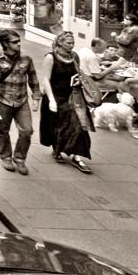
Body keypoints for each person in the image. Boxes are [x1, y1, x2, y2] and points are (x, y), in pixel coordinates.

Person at [0, 30, 42, 176]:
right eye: (15, 42)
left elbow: (33, 78)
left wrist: (36, 98)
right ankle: (6, 157)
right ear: (5, 43)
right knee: (3, 130)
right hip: (2, 100)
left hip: (22, 100)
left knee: (27, 131)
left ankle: (20, 158)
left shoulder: (26, 58)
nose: (19, 44)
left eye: (19, 41)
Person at [38, 31, 94, 174]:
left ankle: (77, 156)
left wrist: (78, 81)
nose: (71, 45)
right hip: (56, 95)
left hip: (72, 95)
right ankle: (57, 149)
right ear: (60, 43)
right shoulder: (50, 58)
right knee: (58, 125)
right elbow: (45, 79)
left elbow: (77, 73)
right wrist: (51, 100)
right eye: (69, 42)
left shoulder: (74, 56)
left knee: (79, 124)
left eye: (72, 42)